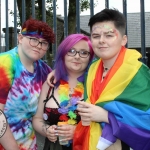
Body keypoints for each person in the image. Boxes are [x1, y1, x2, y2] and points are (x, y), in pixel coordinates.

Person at [72, 8, 150, 150]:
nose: (101, 41)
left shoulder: (138, 72)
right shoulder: (93, 68)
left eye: (109, 35)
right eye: (95, 36)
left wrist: (107, 116)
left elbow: (146, 119)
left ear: (123, 40)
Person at [32, 33, 94, 150]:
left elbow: (106, 122)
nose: (77, 56)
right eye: (71, 51)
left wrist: (79, 131)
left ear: (90, 58)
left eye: (84, 52)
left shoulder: (94, 85)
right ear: (63, 54)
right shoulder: (50, 84)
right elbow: (37, 119)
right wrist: (46, 131)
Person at [0, 18, 55, 150]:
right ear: (20, 38)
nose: (38, 46)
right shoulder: (5, 63)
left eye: (44, 43)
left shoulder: (43, 69)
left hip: (29, 144)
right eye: (33, 39)